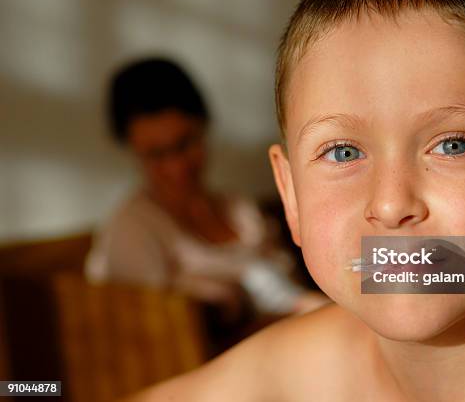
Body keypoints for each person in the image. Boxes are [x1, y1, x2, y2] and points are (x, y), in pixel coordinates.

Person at [125, 0, 465, 401]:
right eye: (342, 152)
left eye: (453, 144)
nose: (390, 203)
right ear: (291, 197)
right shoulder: (291, 370)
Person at [85, 58, 327, 319]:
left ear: (203, 127)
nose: (176, 167)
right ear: (131, 150)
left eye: (185, 144)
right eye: (156, 154)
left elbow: (299, 289)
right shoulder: (133, 231)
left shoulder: (239, 207)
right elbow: (152, 334)